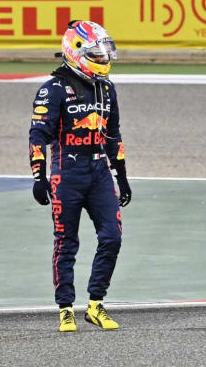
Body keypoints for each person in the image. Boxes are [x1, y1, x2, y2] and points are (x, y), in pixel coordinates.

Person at [29, 20, 130, 332]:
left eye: (104, 53)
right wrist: (38, 177)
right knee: (66, 243)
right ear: (75, 52)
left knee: (112, 237)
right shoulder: (52, 90)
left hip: (100, 174)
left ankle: (96, 304)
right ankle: (65, 308)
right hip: (66, 176)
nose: (102, 59)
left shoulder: (107, 89)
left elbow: (113, 135)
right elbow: (38, 135)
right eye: (96, 54)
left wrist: (122, 174)